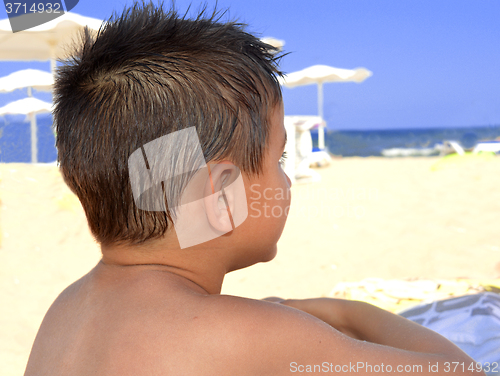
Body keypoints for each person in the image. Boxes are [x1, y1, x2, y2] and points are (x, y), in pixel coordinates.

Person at [25, 3, 483, 375]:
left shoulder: (66, 311)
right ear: (220, 197)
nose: (283, 180)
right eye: (278, 160)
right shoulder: (259, 336)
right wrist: (344, 313)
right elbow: (461, 372)